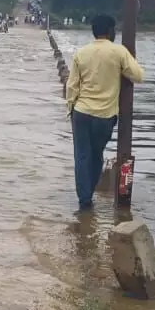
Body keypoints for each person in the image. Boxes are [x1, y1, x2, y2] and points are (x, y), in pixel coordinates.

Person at [64, 15, 145, 211]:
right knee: (96, 155)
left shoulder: (81, 53)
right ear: (109, 31)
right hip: (105, 116)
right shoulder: (118, 52)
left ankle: (84, 201)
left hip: (81, 113)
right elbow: (138, 76)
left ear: (94, 31)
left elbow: (72, 86)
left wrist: (71, 109)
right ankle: (88, 194)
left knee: (81, 157)